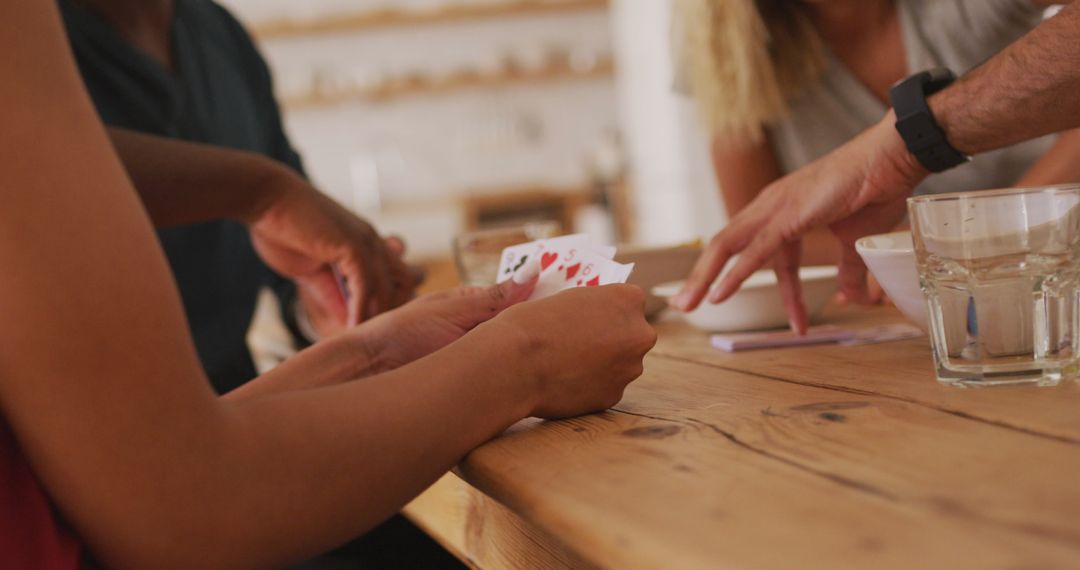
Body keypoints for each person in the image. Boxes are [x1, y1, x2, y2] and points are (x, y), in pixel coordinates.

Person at [0, 3, 658, 568]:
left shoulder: (214, 38)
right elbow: (191, 500)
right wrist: (526, 361)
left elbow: (161, 458)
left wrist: (368, 351)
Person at [59, 0, 414, 395]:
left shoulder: (217, 31)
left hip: (237, 407)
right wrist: (264, 191)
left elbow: (291, 248)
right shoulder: (32, 43)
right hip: (106, 430)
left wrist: (322, 312)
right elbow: (45, 164)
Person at [673, 2, 1080, 332]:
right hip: (898, 327)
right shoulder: (727, 44)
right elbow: (766, 235)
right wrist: (910, 250)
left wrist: (992, 225)